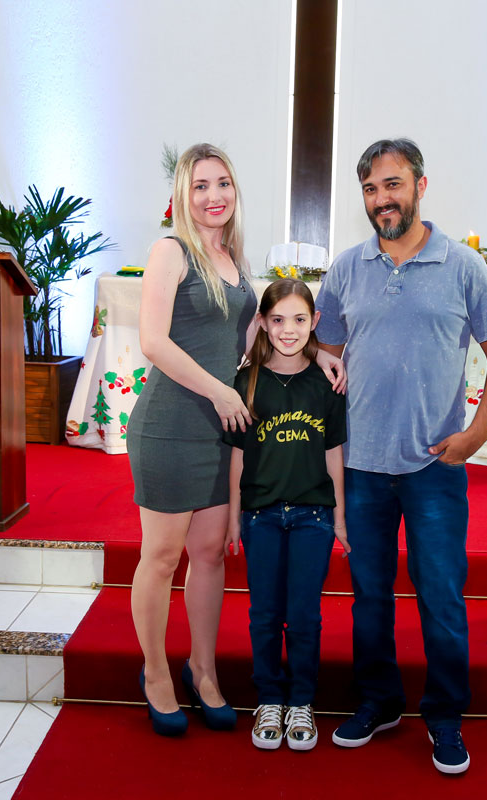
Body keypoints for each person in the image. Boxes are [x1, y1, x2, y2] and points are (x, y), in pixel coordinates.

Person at [127, 144, 343, 737]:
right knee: (161, 557)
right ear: (183, 194)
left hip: (224, 431)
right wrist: (221, 393)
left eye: (222, 183)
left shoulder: (232, 260)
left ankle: (203, 670)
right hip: (172, 425)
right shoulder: (170, 251)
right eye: (200, 185)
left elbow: (257, 337)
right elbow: (152, 341)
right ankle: (155, 674)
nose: (213, 195)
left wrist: (319, 353)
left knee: (208, 555)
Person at [315, 138, 487, 774]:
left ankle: (446, 715)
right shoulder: (347, 268)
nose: (382, 200)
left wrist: (477, 433)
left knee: (441, 597)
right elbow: (322, 347)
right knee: (369, 596)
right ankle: (378, 702)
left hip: (435, 465)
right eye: (371, 189)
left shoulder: (463, 266)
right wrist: (322, 361)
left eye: (393, 185)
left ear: (420, 186)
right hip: (363, 466)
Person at [223, 279, 350, 752]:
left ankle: (301, 700)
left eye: (299, 319)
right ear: (262, 322)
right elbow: (238, 455)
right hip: (261, 516)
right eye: (277, 320)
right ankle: (269, 699)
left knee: (303, 615)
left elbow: (333, 451)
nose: (288, 330)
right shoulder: (247, 380)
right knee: (264, 613)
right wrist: (234, 515)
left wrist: (339, 517)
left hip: (313, 517)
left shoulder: (327, 382)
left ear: (314, 322)